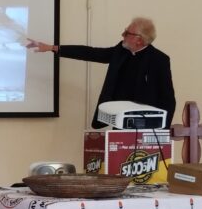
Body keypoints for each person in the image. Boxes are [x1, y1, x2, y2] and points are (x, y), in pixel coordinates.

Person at [27, 16, 176, 128]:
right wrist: (54, 48)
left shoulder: (159, 60)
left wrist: (163, 130)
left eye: (126, 33)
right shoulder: (121, 51)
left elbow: (168, 99)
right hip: (120, 119)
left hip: (146, 123)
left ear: (140, 40)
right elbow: (93, 53)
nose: (122, 35)